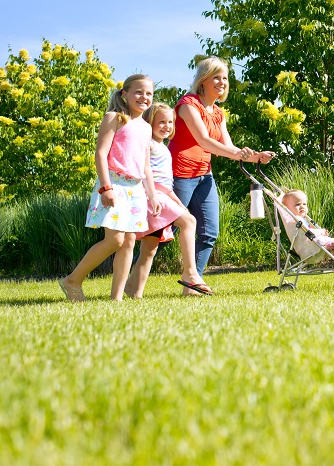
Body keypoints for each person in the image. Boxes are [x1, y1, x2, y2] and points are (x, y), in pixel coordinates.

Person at [169, 56, 274, 279]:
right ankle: (132, 279)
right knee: (167, 231)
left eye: (225, 78)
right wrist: (237, 153)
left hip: (204, 175)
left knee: (209, 232)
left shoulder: (218, 113)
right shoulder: (188, 105)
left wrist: (255, 157)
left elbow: (228, 147)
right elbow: (204, 141)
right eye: (216, 77)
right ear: (203, 80)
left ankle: (192, 281)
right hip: (179, 174)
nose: (222, 82)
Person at [58, 74, 161, 302]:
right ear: (124, 94)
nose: (144, 97)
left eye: (149, 94)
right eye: (138, 92)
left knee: (130, 241)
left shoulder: (145, 127)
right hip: (114, 184)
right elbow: (101, 154)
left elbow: (145, 166)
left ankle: (117, 299)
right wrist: (106, 188)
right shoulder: (115, 118)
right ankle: (72, 280)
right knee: (115, 240)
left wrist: (152, 195)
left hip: (135, 191)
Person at [124, 102, 212, 298]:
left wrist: (177, 201)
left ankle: (133, 290)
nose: (167, 126)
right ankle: (190, 273)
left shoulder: (163, 147)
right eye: (161, 122)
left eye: (170, 122)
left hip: (163, 194)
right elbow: (147, 174)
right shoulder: (148, 143)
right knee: (189, 221)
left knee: (150, 247)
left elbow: (166, 181)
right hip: (152, 195)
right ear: (149, 122)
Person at [280, 189, 334, 276]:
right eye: (297, 204)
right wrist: (320, 232)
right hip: (311, 251)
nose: (302, 206)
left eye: (304, 204)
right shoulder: (296, 220)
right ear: (287, 209)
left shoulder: (300, 219)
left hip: (314, 248)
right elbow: (309, 232)